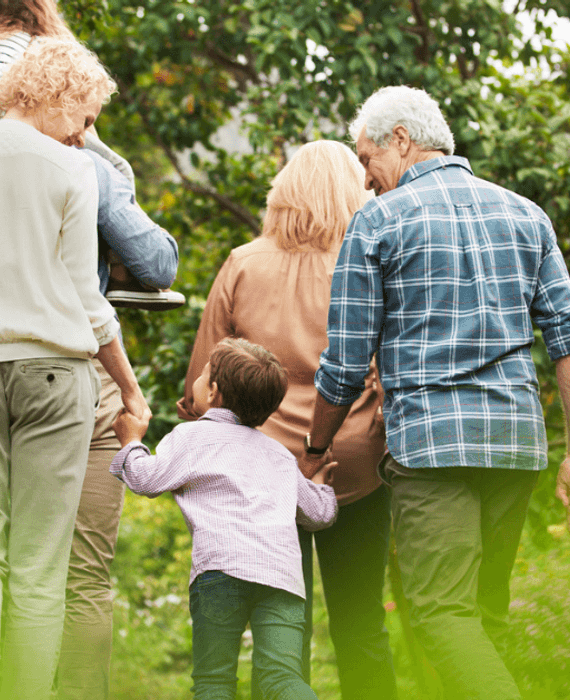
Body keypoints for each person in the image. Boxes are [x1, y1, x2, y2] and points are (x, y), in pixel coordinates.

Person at [299, 86, 570, 700]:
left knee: (440, 613)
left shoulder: (378, 223)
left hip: (432, 450)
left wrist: (316, 445)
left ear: (402, 141)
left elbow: (346, 362)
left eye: (365, 159)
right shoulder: (525, 214)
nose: (364, 179)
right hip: (515, 445)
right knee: (482, 617)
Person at [0, 4, 181, 698]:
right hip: (65, 373)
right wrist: (107, 160)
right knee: (71, 573)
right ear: (60, 89)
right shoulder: (79, 168)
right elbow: (140, 272)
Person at [177, 141, 396, 700]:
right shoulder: (368, 263)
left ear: (283, 194)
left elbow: (201, 389)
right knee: (361, 621)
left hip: (262, 477)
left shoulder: (243, 264)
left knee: (282, 633)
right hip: (354, 466)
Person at [112, 339, 337, 700]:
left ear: (213, 391)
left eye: (202, 376)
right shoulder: (279, 455)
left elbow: (145, 479)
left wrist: (131, 442)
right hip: (281, 578)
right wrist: (320, 484)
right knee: (282, 678)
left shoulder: (191, 437)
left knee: (215, 681)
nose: (197, 382)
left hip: (221, 571)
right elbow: (319, 514)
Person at [0, 0, 185, 311]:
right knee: (114, 167)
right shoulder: (37, 45)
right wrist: (86, 131)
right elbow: (69, 119)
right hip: (26, 142)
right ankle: (124, 273)